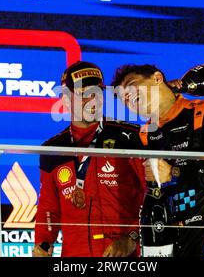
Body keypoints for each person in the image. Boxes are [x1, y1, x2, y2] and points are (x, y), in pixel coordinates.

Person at [111, 64, 204, 257]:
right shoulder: (145, 135)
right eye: (123, 98)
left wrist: (175, 172)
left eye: (132, 86)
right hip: (168, 245)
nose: (129, 98)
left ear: (157, 78)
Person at [33, 61, 145, 257]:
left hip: (121, 256)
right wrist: (43, 242)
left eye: (98, 92)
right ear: (66, 100)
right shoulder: (53, 149)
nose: (93, 99)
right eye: (83, 94)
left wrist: (132, 237)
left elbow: (153, 195)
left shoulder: (130, 137)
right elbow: (48, 208)